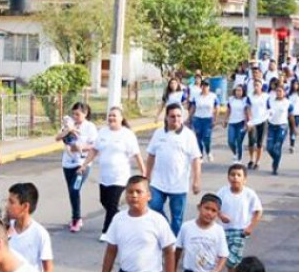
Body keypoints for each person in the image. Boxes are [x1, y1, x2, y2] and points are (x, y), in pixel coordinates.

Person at [81, 107, 145, 241]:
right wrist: (84, 164)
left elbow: (136, 155)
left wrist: (143, 172)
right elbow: (94, 150)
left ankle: (107, 232)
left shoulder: (127, 134)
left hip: (120, 177)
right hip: (105, 177)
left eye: (114, 116)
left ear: (121, 119)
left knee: (111, 205)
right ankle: (121, 218)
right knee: (104, 201)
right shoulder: (103, 132)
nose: (111, 118)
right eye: (109, 116)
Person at [145, 104, 202, 235]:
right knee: (154, 207)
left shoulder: (188, 135)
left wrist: (196, 180)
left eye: (178, 116)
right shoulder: (159, 133)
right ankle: (167, 232)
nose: (176, 119)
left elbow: (196, 159)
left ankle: (174, 248)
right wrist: (147, 176)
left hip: (178, 186)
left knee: (177, 219)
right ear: (166, 118)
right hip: (158, 183)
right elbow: (151, 155)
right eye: (172, 116)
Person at [217, 163, 263, 272]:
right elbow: (214, 206)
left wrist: (250, 227)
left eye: (239, 175)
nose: (235, 178)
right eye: (232, 175)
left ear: (245, 179)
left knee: (230, 260)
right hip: (223, 230)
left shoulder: (249, 194)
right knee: (227, 259)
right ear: (228, 177)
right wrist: (221, 215)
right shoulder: (223, 192)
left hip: (240, 231)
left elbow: (258, 211)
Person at [54, 102, 97, 233]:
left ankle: (76, 218)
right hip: (68, 164)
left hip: (82, 164)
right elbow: (57, 137)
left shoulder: (90, 127)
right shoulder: (69, 124)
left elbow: (95, 146)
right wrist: (68, 130)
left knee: (75, 189)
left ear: (85, 113)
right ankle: (76, 215)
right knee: (72, 193)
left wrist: (82, 147)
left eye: (78, 114)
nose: (75, 116)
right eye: (73, 114)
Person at [264, 84, 294, 176]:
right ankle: (275, 159)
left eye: (281, 91)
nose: (279, 93)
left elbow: (291, 116)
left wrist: (294, 128)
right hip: (272, 126)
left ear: (284, 93)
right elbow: (267, 113)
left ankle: (275, 166)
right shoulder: (270, 101)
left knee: (277, 146)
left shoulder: (288, 103)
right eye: (277, 91)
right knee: (269, 147)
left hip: (282, 126)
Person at [189, 79, 219, 161]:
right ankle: (200, 155)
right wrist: (189, 118)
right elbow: (193, 108)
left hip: (208, 119)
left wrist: (215, 119)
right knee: (198, 138)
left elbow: (217, 108)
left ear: (209, 87)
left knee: (206, 138)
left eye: (206, 85)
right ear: (201, 86)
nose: (205, 87)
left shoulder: (213, 96)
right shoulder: (196, 97)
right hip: (198, 119)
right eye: (203, 85)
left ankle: (208, 152)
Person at [224, 84, 251, 163]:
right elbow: (228, 110)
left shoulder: (245, 100)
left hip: (241, 122)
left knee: (239, 141)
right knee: (230, 141)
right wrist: (225, 120)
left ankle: (239, 158)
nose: (238, 92)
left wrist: (247, 123)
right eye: (237, 90)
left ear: (243, 91)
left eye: (240, 90)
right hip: (232, 122)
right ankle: (235, 152)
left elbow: (247, 112)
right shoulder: (231, 99)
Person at [246, 84, 270, 169]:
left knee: (260, 142)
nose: (256, 87)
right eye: (255, 85)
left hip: (263, 121)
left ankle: (257, 161)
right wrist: (249, 120)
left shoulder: (266, 96)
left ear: (261, 87)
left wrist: (268, 117)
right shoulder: (250, 96)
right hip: (253, 121)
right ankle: (251, 159)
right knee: (251, 141)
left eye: (258, 85)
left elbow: (269, 108)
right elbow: (248, 108)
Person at [286, 79, 299, 153]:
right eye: (294, 84)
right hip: (290, 114)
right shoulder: (288, 94)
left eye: (297, 84)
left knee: (294, 128)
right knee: (291, 129)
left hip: (298, 114)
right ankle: (292, 144)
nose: (295, 86)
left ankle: (292, 144)